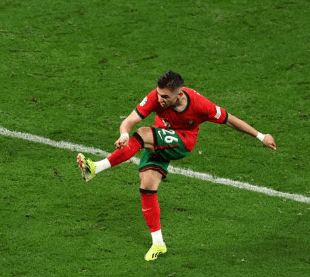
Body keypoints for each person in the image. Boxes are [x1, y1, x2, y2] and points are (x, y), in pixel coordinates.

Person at [77, 71, 277, 261]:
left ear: (179, 95)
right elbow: (129, 120)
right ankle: (158, 243)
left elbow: (230, 120)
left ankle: (95, 167)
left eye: (165, 97)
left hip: (182, 141)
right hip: (160, 138)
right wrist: (124, 135)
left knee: (144, 133)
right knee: (147, 184)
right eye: (159, 94)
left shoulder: (200, 105)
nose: (160, 99)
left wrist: (261, 136)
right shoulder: (156, 97)